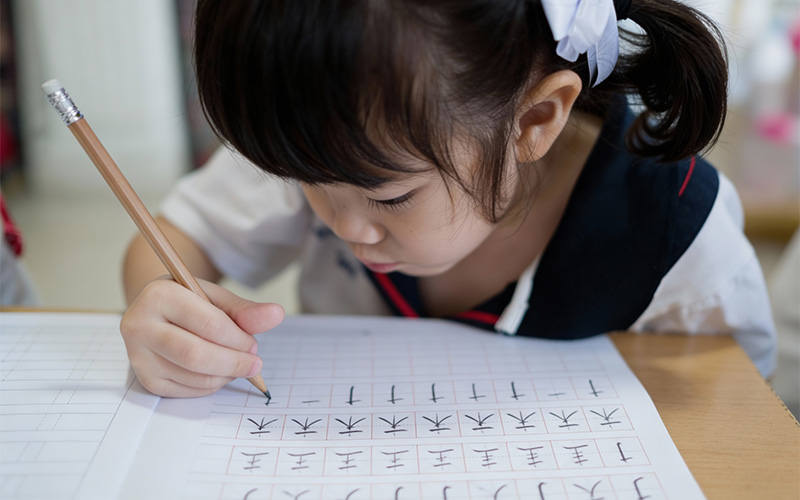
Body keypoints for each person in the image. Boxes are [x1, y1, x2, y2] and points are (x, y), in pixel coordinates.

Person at [121, 0, 776, 397]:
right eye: (305, 185)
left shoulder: (676, 240)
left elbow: (734, 413)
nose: (344, 225)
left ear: (533, 121)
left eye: (392, 198)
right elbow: (174, 236)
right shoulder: (322, 143)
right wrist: (164, 308)